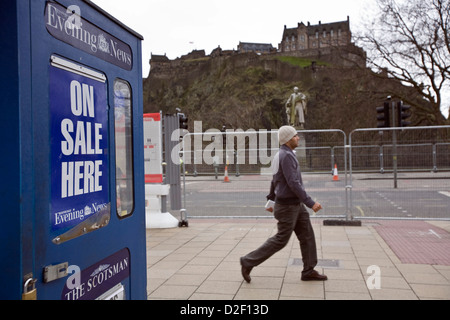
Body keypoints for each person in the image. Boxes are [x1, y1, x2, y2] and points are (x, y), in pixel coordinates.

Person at [240, 125, 327, 282]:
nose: (298, 138)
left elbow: (275, 180)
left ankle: (308, 270)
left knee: (307, 235)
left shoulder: (282, 155)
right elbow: (293, 183)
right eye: (295, 136)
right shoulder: (285, 156)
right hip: (288, 206)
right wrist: (310, 202)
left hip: (294, 204)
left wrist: (271, 199)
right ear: (288, 139)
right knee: (281, 240)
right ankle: (248, 261)